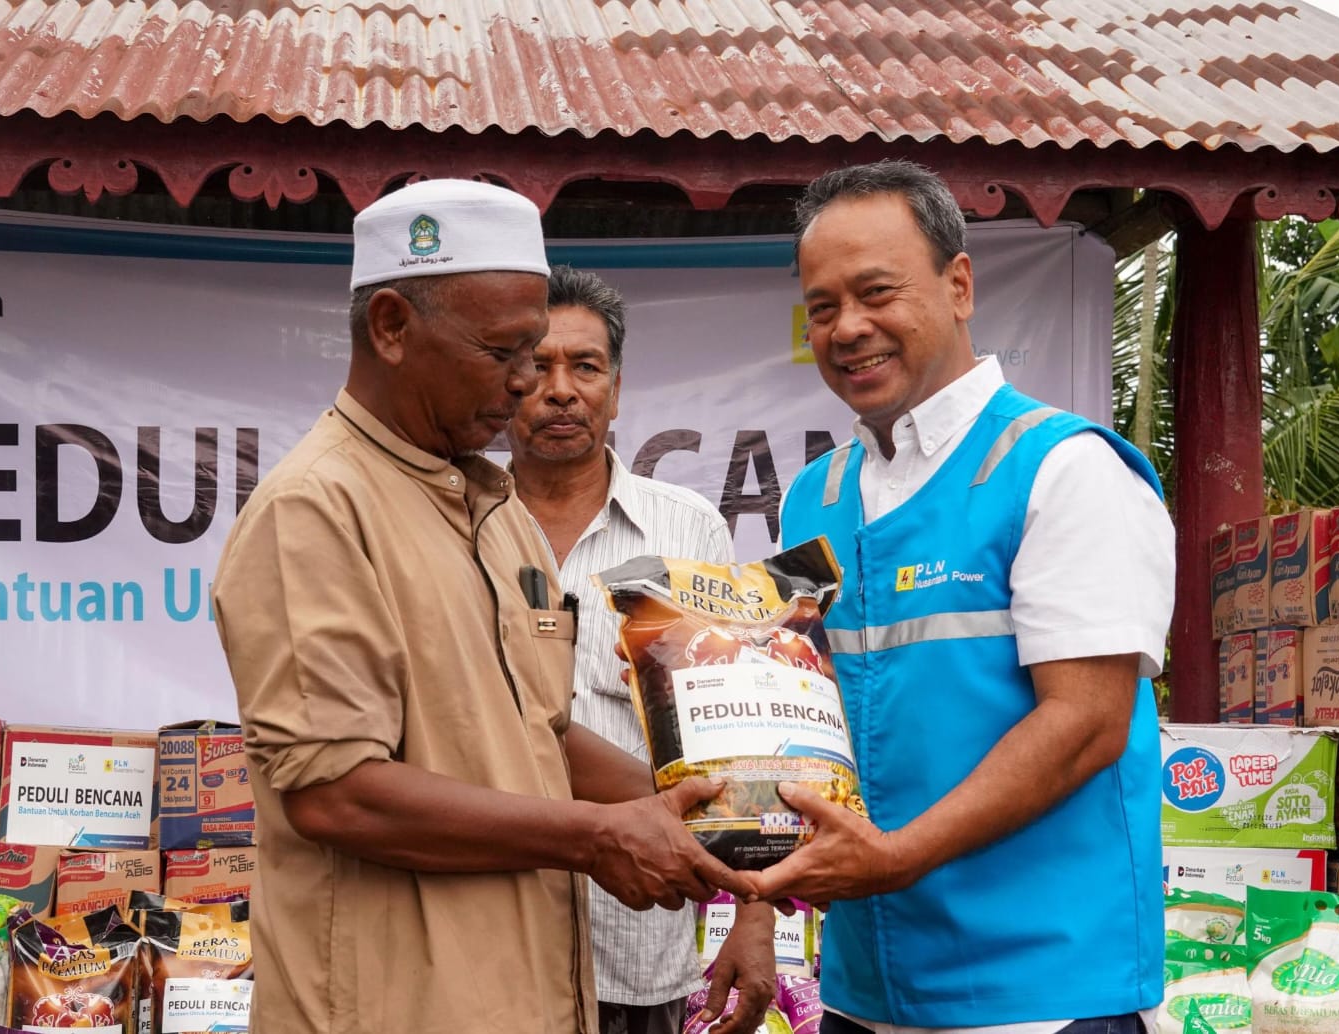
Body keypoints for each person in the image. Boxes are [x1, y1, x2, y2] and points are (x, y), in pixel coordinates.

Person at [212, 180, 753, 1034]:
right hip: (395, 1009)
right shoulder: (315, 510)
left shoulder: (492, 512)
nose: (525, 385)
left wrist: (729, 814)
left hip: (529, 997)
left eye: (535, 352)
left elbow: (538, 736)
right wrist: (597, 838)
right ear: (391, 326)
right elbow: (337, 794)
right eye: (504, 353)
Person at [745, 160, 1175, 1034]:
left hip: (1040, 994)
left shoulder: (1062, 469)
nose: (848, 328)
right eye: (822, 306)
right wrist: (755, 901)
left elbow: (1087, 723)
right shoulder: (811, 498)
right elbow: (795, 704)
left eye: (876, 292)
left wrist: (896, 858)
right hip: (866, 990)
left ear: (960, 284)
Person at [505, 265, 777, 1034]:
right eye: (536, 366)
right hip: (482, 940)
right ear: (504, 385)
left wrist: (754, 913)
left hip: (638, 941)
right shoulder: (456, 522)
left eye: (585, 366)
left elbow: (741, 737)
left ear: (616, 391)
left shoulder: (687, 531)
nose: (562, 389)